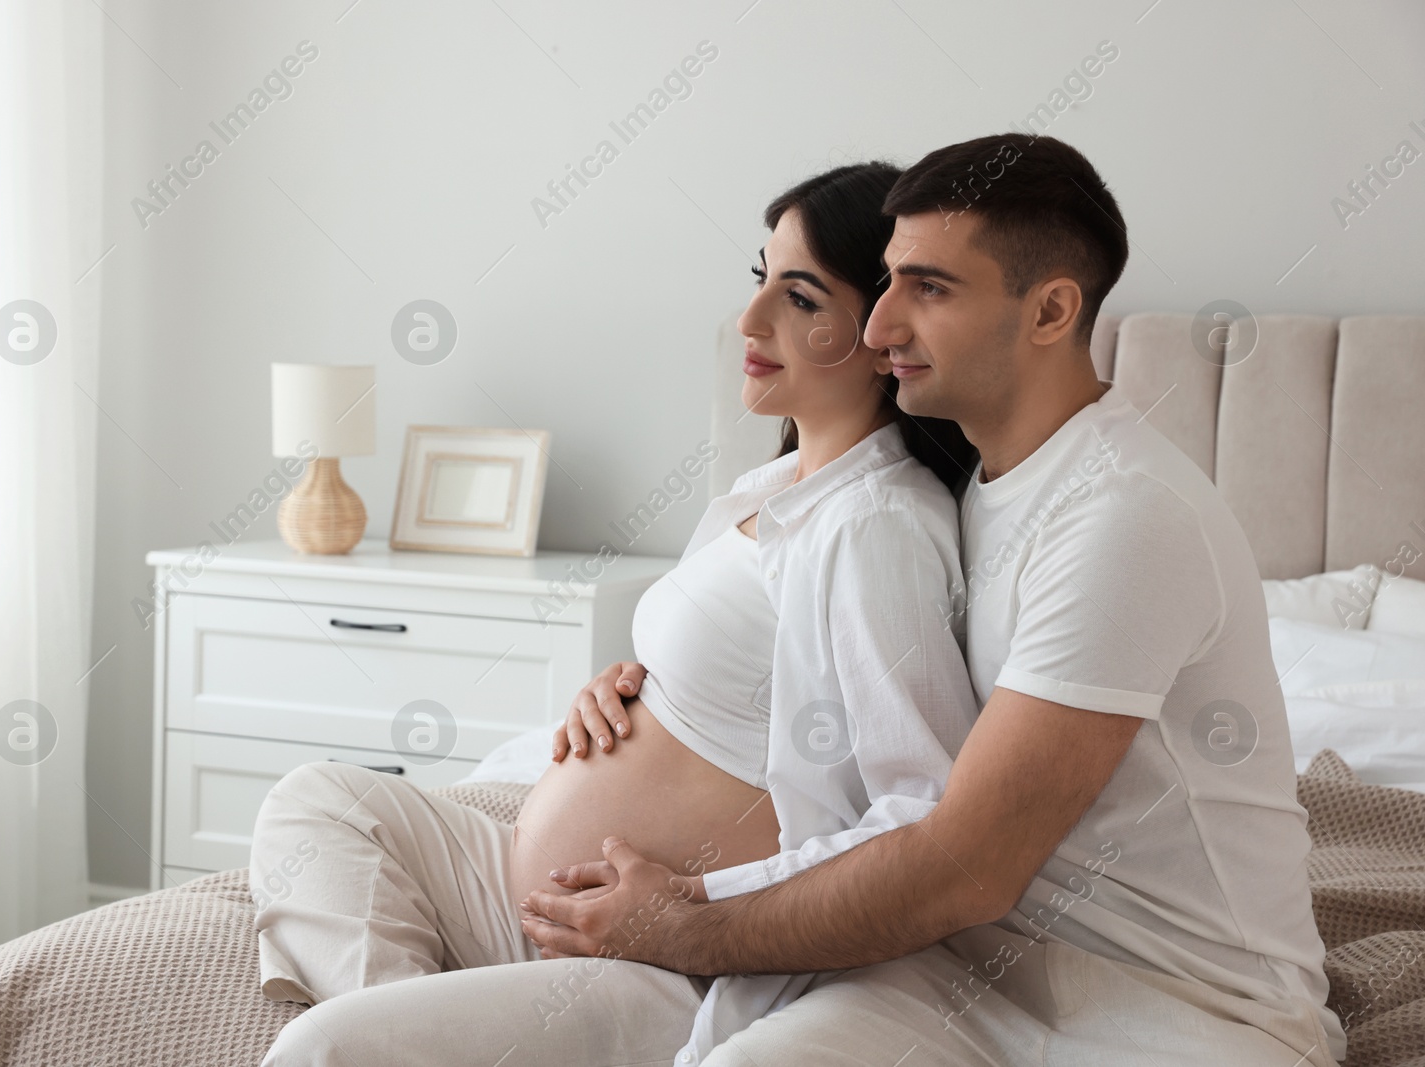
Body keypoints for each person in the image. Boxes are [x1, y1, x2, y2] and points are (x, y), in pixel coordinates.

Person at [520, 134, 1345, 1067]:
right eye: (886, 284)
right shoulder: (968, 490)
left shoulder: (1126, 516)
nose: (877, 330)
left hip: (1171, 1008)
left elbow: (966, 862)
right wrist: (644, 683)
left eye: (930, 289)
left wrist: (681, 923)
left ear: (1051, 311)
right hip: (972, 968)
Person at [248, 162, 982, 1064]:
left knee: (322, 1049)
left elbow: (919, 813)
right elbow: (735, 697)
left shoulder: (878, 525)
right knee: (315, 800)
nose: (750, 322)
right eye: (761, 281)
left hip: (663, 960)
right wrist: (629, 690)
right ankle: (429, 1016)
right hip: (533, 896)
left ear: (882, 329)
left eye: (800, 298)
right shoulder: (773, 489)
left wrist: (695, 917)